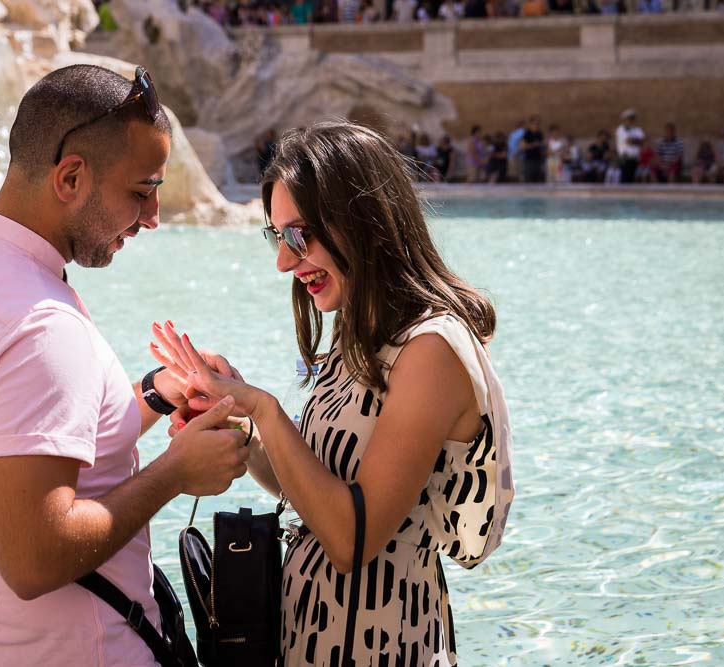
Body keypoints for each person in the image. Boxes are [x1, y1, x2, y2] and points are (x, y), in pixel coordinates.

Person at [0, 64, 250, 665]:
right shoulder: (39, 327)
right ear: (71, 176)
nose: (152, 217)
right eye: (141, 191)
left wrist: (158, 393)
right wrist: (177, 471)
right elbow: (36, 558)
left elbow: (25, 442)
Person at [151, 121, 514, 666]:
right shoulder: (362, 332)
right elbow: (314, 489)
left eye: (299, 235)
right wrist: (241, 424)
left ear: (361, 221)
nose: (283, 261)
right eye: (277, 237)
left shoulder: (431, 349)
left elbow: (352, 538)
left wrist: (264, 409)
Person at [615, 108, 644, 184]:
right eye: (629, 119)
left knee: (632, 180)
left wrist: (633, 140)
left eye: (632, 119)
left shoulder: (637, 129)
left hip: (635, 159)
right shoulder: (621, 129)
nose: (630, 121)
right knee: (625, 179)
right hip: (625, 159)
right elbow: (628, 141)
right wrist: (636, 141)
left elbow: (643, 141)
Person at [520, 115, 545, 183]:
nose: (536, 125)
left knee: (538, 180)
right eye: (535, 124)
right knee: (529, 179)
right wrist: (533, 145)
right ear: (531, 124)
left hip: (538, 160)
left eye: (538, 124)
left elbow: (542, 144)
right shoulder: (527, 134)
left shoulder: (539, 134)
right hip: (529, 161)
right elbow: (522, 147)